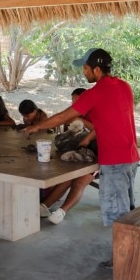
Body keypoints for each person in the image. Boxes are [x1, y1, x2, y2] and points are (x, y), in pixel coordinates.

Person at [25, 48, 139, 254]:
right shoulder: (124, 86)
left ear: (96, 69)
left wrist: (37, 127)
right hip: (131, 157)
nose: (83, 73)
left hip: (114, 161)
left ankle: (124, 262)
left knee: (117, 214)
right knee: (127, 210)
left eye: (86, 69)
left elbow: (63, 117)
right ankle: (129, 258)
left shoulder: (96, 93)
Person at [37, 88, 97, 224]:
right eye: (73, 100)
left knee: (80, 181)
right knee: (67, 178)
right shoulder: (75, 115)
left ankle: (62, 211)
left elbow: (98, 128)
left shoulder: (95, 113)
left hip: (98, 157)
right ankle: (44, 206)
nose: (75, 103)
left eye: (78, 100)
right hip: (78, 154)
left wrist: (77, 119)